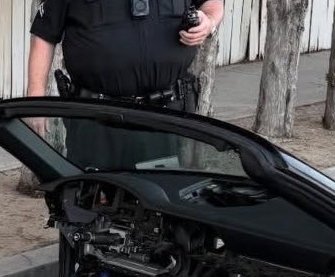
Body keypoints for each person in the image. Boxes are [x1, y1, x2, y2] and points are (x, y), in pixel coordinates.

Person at [26, 0, 225, 169]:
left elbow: (213, 3)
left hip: (167, 117)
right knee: (92, 200)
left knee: (161, 202)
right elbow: (44, 35)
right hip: (96, 119)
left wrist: (209, 21)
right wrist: (35, 98)